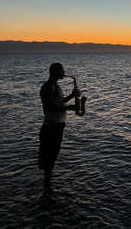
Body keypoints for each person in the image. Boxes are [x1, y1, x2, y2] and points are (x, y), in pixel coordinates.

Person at [38, 62, 79, 194]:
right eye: (62, 70)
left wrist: (72, 96)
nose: (64, 73)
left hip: (57, 126)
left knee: (51, 157)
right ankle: (47, 187)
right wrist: (70, 107)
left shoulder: (55, 86)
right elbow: (50, 107)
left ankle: (47, 187)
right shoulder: (48, 87)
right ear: (56, 72)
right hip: (51, 127)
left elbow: (58, 103)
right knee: (49, 157)